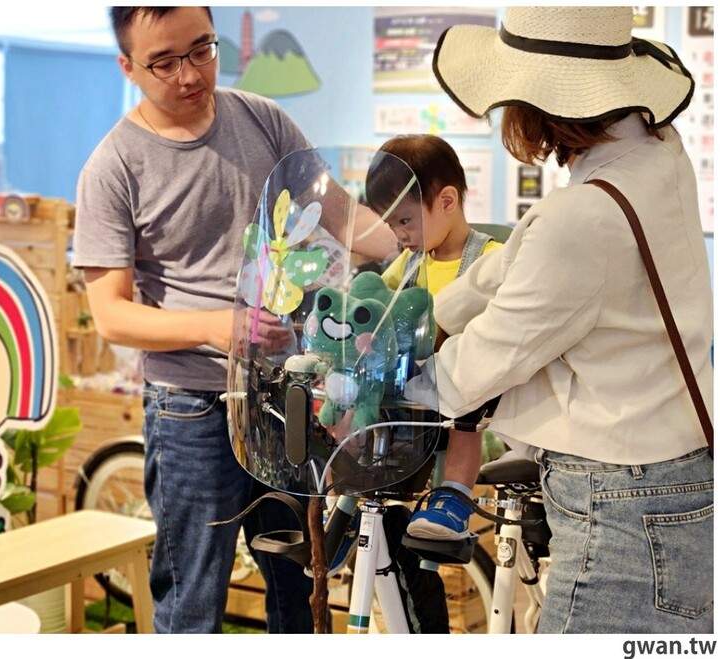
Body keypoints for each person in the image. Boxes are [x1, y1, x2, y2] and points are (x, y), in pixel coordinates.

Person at [72, 7, 395, 634]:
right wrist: (217, 327)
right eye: (164, 62)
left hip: (286, 393)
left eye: (202, 50)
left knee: (302, 587)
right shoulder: (112, 167)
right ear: (127, 66)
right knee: (193, 598)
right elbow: (110, 316)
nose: (190, 74)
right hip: (193, 405)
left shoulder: (262, 118)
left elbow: (341, 215)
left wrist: (418, 246)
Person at [405, 6, 713, 633]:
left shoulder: (582, 219)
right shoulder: (655, 153)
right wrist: (427, 317)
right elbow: (521, 257)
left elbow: (480, 364)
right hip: (678, 471)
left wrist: (383, 381)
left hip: (620, 505)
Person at [365, 134, 503, 541]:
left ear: (446, 201)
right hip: (413, 388)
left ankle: (455, 494)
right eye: (390, 224)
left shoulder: (491, 258)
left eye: (405, 221)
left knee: (469, 408)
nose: (399, 235)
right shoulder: (410, 261)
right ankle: (352, 502)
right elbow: (380, 301)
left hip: (464, 385)